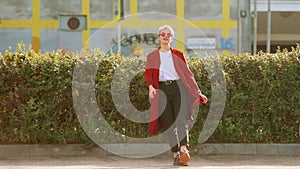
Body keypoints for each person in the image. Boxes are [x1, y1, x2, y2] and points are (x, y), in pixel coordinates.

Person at [144, 25, 208, 166]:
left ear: (172, 38)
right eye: (162, 34)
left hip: (178, 88)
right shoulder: (152, 56)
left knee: (180, 120)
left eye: (168, 34)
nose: (165, 36)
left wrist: (196, 91)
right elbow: (148, 74)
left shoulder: (178, 54)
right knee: (168, 124)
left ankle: (184, 149)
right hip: (162, 91)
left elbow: (187, 73)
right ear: (159, 37)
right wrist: (150, 87)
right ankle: (176, 154)